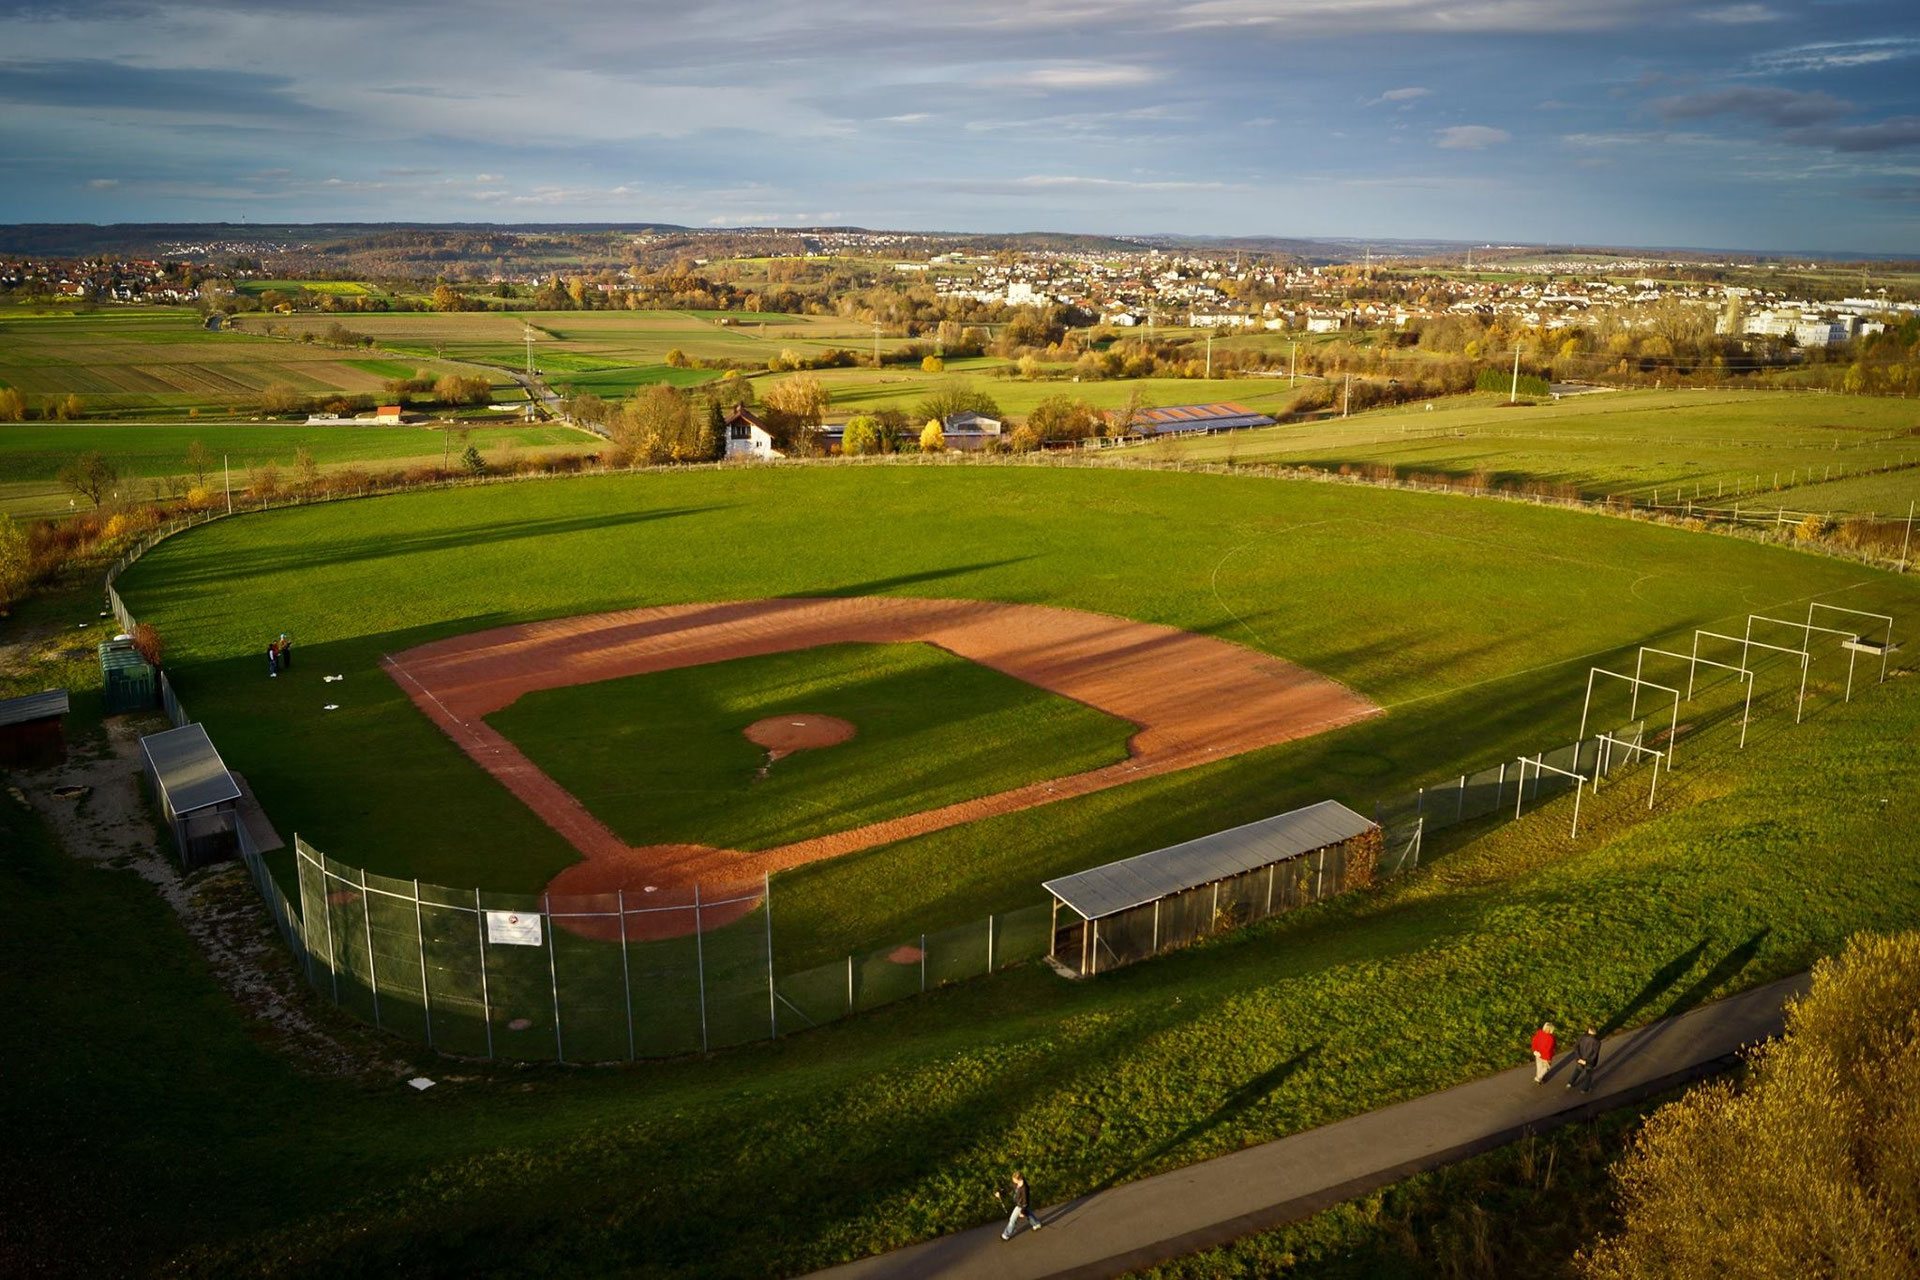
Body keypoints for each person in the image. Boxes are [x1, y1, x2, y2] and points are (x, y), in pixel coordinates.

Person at [994, 1171, 1043, 1240]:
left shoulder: (1024, 1189)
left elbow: (1025, 1202)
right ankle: (1036, 1224)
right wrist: (1000, 1192)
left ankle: (1006, 1235)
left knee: (1012, 1219)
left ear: (1019, 1179)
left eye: (1014, 1180)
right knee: (1028, 1213)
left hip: (1021, 1205)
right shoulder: (1016, 1184)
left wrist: (1022, 1211)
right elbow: (1009, 1188)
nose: (1013, 1181)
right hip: (1018, 1202)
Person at [1567, 1026, 1601, 1093]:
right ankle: (1584, 1089)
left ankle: (1570, 1083)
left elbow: (1576, 1047)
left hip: (1580, 1058)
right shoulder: (1597, 1042)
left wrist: (1578, 1058)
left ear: (1588, 1030)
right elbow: (1595, 1054)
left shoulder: (1582, 1038)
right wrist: (1587, 1061)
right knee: (1588, 1074)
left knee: (1577, 1070)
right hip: (1589, 1061)